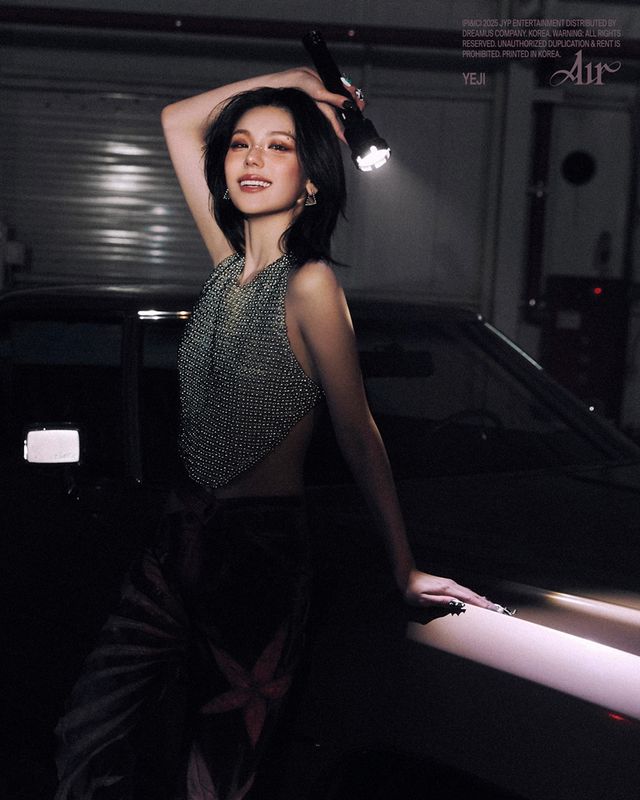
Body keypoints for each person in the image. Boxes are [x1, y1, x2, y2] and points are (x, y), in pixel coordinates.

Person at [55, 67, 500, 800]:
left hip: (258, 551)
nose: (253, 159)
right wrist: (293, 78)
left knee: (220, 772)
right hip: (178, 533)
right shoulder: (227, 268)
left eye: (280, 146)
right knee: (87, 730)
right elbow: (176, 118)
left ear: (312, 181)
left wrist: (404, 566)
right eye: (240, 144)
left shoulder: (310, 285)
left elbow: (358, 430)